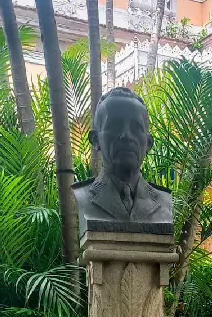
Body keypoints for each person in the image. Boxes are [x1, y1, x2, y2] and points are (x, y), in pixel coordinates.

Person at [72, 87, 172, 225]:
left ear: (148, 143)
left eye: (136, 127)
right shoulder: (80, 196)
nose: (126, 136)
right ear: (95, 140)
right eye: (115, 126)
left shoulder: (165, 201)